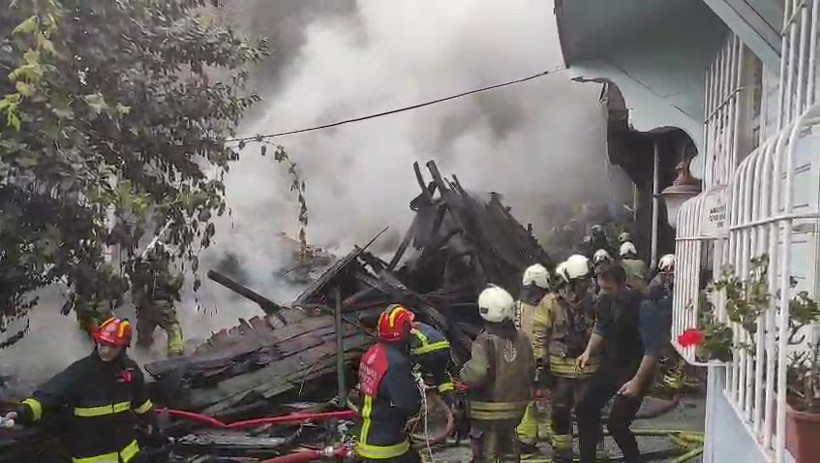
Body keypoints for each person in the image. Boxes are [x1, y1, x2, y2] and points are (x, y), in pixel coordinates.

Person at [3, 317, 156, 463]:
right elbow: (50, 395)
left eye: (113, 346)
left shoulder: (130, 370)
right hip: (92, 457)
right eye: (102, 344)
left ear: (124, 347)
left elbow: (141, 403)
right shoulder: (82, 372)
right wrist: (22, 412)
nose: (106, 351)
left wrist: (152, 422)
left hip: (127, 455)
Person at [575, 264, 666, 463]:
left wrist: (637, 382)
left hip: (635, 368)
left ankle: (634, 459)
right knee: (584, 407)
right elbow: (601, 328)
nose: (603, 292)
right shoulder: (604, 302)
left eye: (608, 289)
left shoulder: (644, 307)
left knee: (617, 424)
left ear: (622, 284)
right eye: (601, 287)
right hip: (611, 364)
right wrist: (588, 352)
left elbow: (652, 351)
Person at [461, 285, 534, 463]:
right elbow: (531, 370)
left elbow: (477, 373)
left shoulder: (484, 341)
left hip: (487, 411)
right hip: (516, 410)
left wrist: (463, 373)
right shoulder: (523, 338)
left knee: (487, 454)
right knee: (509, 449)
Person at [542, 255, 601, 462]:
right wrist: (540, 364)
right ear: (571, 280)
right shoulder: (551, 302)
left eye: (587, 279)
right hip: (560, 370)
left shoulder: (594, 300)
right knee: (560, 411)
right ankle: (562, 452)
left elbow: (601, 329)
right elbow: (541, 333)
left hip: (587, 368)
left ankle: (592, 452)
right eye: (582, 280)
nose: (586, 284)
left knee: (589, 411)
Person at [356, 304, 422, 462]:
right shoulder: (396, 364)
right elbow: (411, 405)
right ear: (404, 330)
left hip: (368, 436)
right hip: (386, 448)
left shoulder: (373, 352)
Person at [514, 264, 552, 452]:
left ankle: (527, 440)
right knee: (551, 399)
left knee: (527, 400)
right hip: (544, 361)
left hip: (523, 362)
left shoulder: (515, 307)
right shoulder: (549, 305)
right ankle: (556, 438)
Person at [130, 242, 185, 357]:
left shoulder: (141, 270)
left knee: (144, 337)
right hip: (161, 306)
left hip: (143, 308)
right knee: (173, 329)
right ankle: (175, 356)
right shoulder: (161, 271)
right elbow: (173, 284)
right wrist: (180, 278)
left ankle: (140, 357)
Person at [409, 320, 455, 405]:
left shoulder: (408, 330)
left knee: (412, 373)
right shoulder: (423, 326)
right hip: (444, 348)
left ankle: (424, 397)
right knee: (442, 375)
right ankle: (451, 402)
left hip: (428, 352)